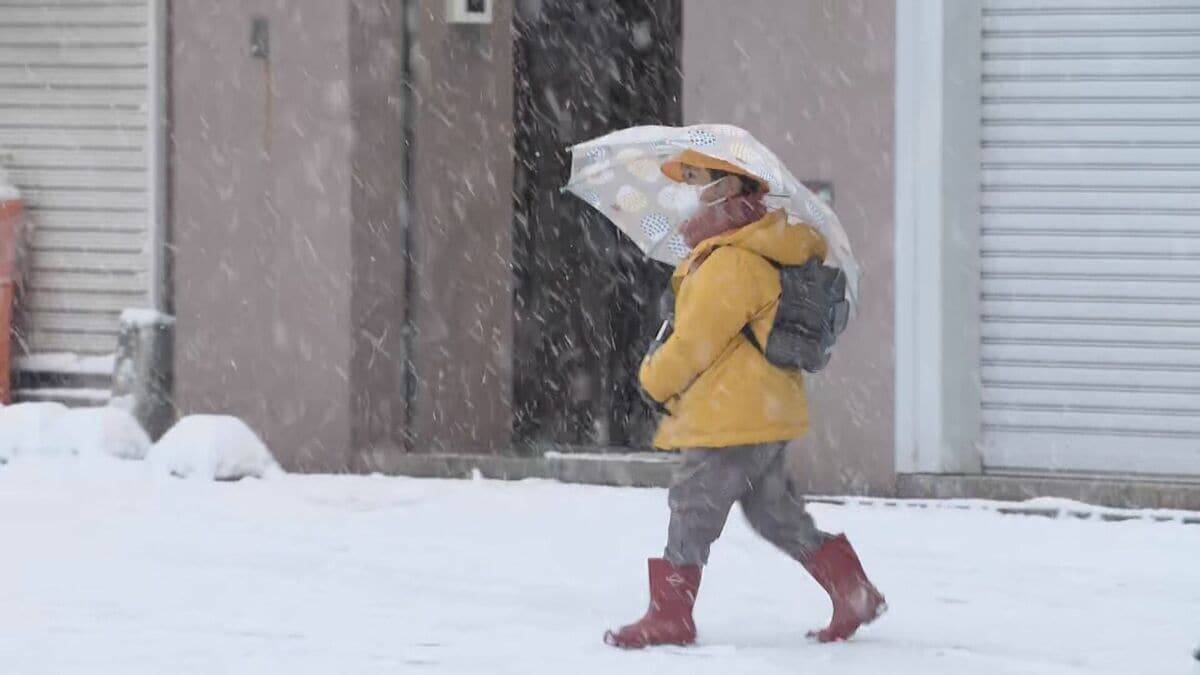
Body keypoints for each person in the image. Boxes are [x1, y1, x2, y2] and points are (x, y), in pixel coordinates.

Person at [605, 150, 887, 649]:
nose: (688, 192)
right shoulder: (750, 250)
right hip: (762, 413)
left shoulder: (731, 261)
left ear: (730, 188)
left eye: (696, 180)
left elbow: (694, 345)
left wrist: (652, 379)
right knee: (773, 513)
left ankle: (670, 616)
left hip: (728, 417)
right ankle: (853, 591)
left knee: (692, 506)